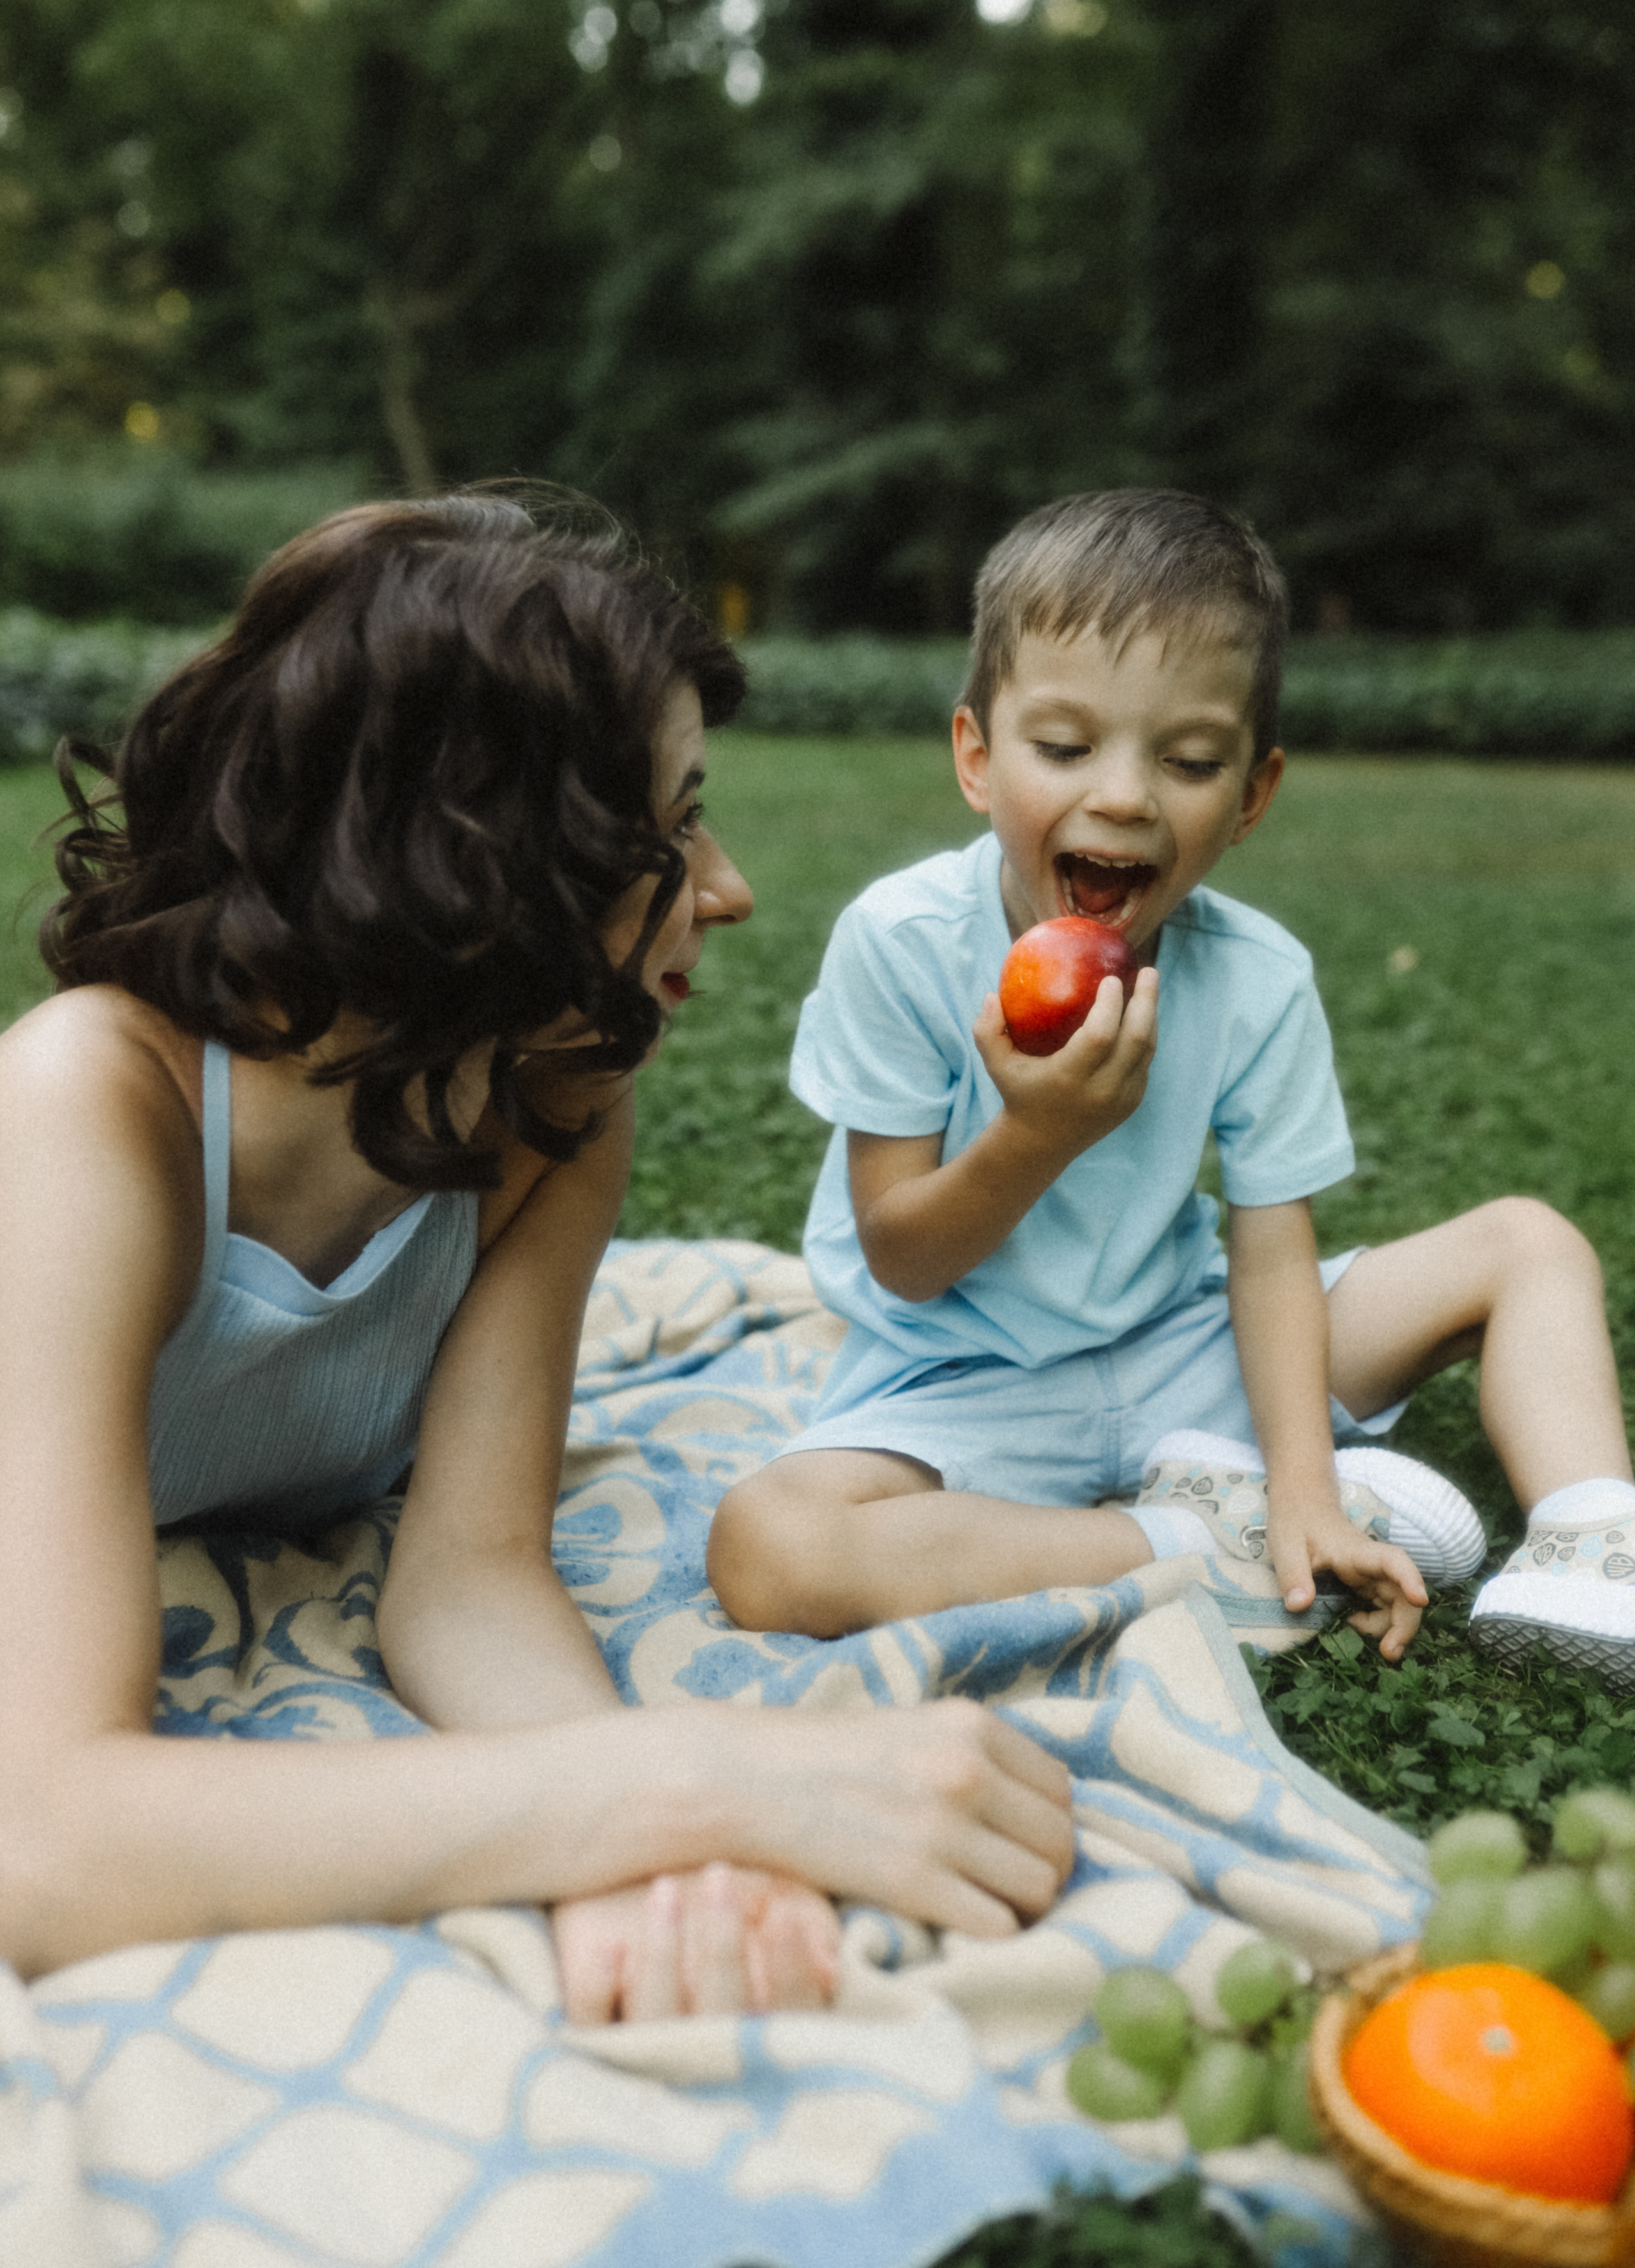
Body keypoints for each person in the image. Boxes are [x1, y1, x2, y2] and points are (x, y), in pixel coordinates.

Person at [0, 493, 1076, 2017]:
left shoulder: (554, 1096)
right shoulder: (89, 1111)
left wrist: (631, 1842)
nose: (730, 886)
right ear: (471, 862)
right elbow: (44, 1844)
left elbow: (466, 1578)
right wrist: (701, 1789)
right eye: (673, 824)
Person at [708, 488, 1635, 1690]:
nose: (1128, 796)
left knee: (1527, 1242)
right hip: (966, 1384)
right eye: (1064, 747)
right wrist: (1037, 1136)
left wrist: (1304, 1477)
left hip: (1186, 1345)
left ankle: (1593, 1545)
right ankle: (1199, 1540)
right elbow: (904, 1258)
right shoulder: (901, 943)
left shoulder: (1254, 978)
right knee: (768, 1546)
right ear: (978, 759)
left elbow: (1270, 1251)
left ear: (1251, 794)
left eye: (1189, 759)